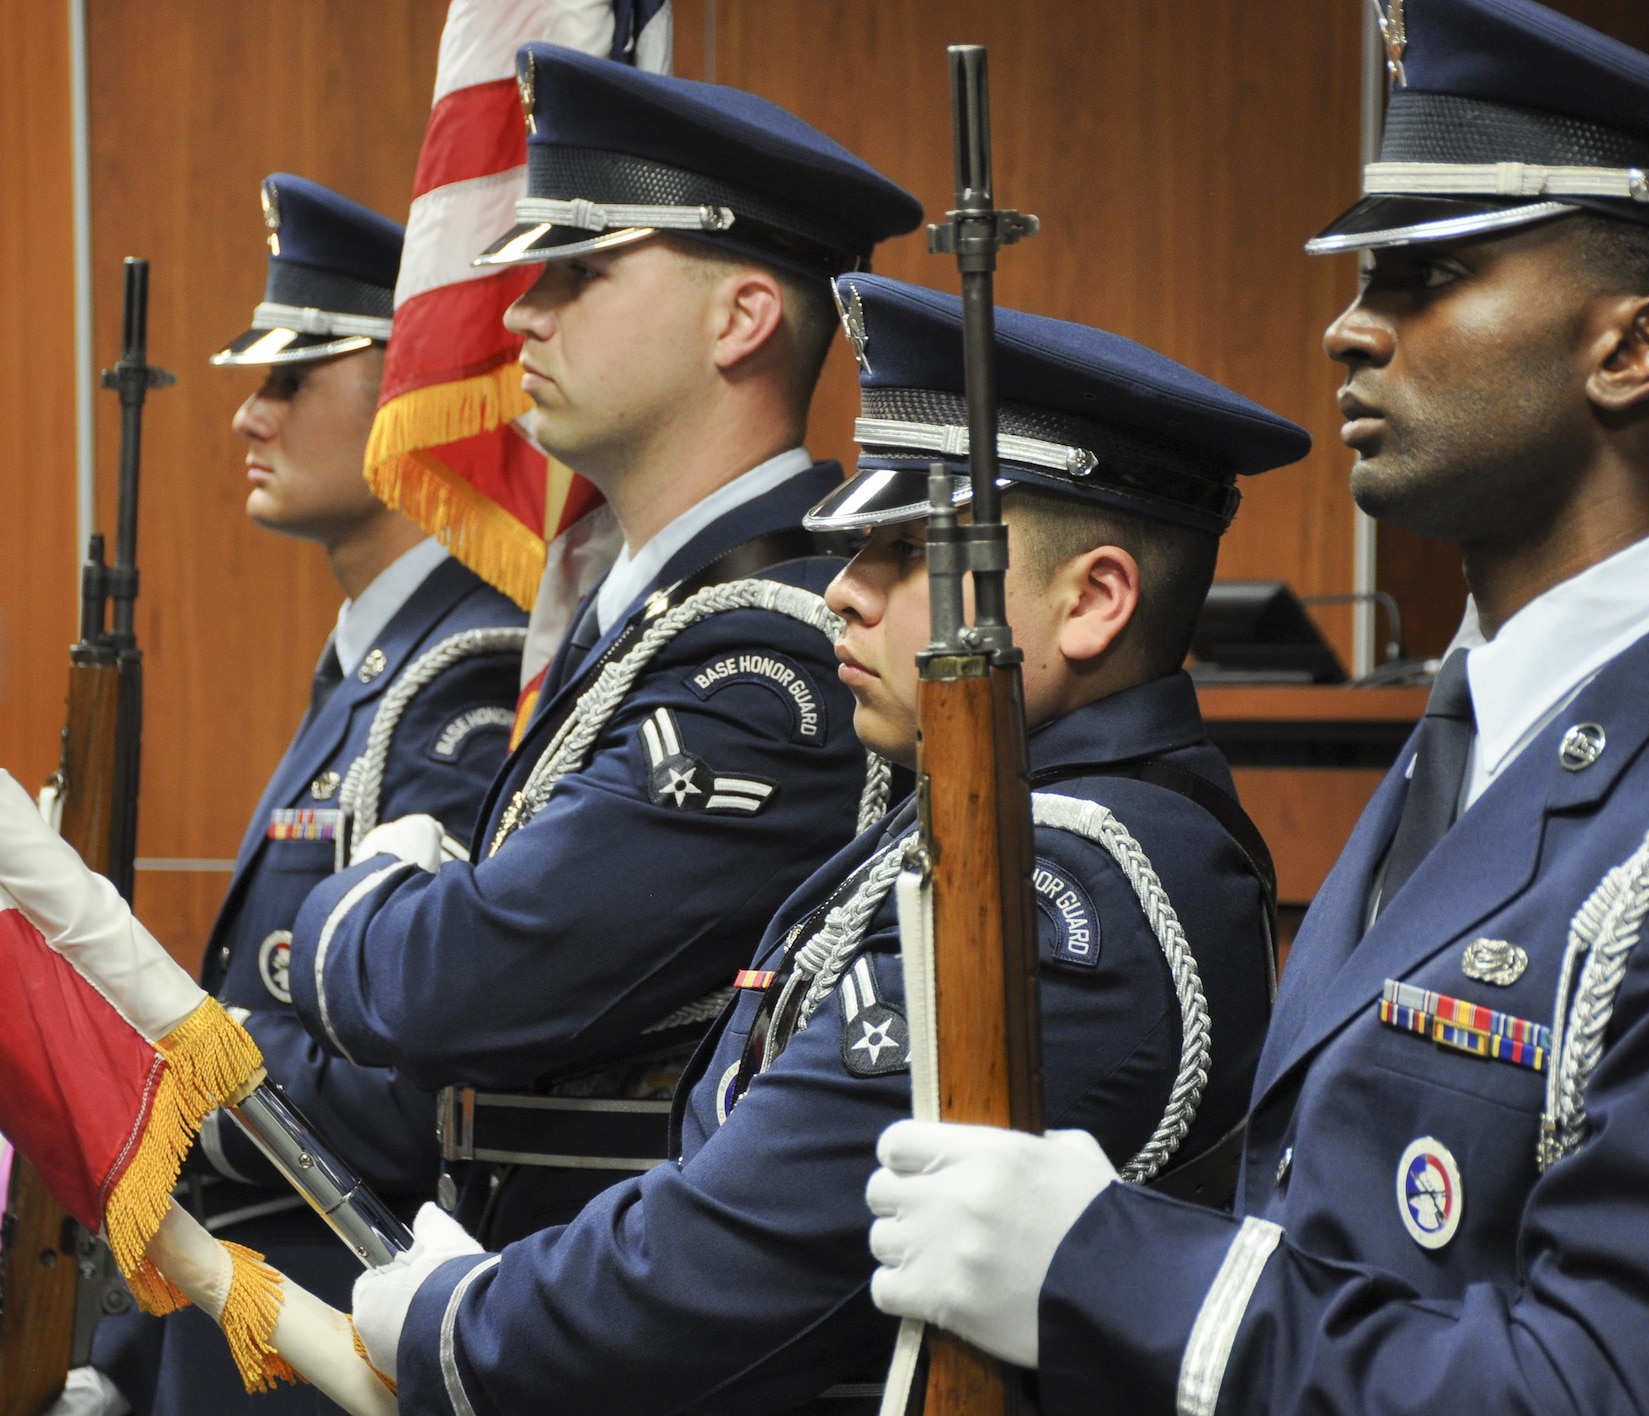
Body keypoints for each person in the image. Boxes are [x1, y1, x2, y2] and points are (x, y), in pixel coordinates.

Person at [861, 2, 1649, 1413]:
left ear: (1632, 350)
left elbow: (1617, 1392)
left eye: (1424, 276)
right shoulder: (1484, 732)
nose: (1349, 327)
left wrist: (1111, 1265)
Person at [337, 273, 1309, 1414]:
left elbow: (734, 1261)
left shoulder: (1067, 879)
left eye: (904, 552)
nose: (841, 590)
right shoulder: (978, 811)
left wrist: (461, 1317)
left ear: (1091, 601)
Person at [280, 45, 925, 1247]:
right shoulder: (640, 614)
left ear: (740, 318)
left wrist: (355, 892)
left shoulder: (780, 657)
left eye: (576, 271)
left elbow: (452, 983)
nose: (518, 310)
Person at [83, 175, 527, 1416]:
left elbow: (415, 1087)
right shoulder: (379, 661)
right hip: (253, 1303)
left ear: (414, 387)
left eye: (292, 377)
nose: (246, 416)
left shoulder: (466, 674)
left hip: (340, 1316)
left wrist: (159, 1088)